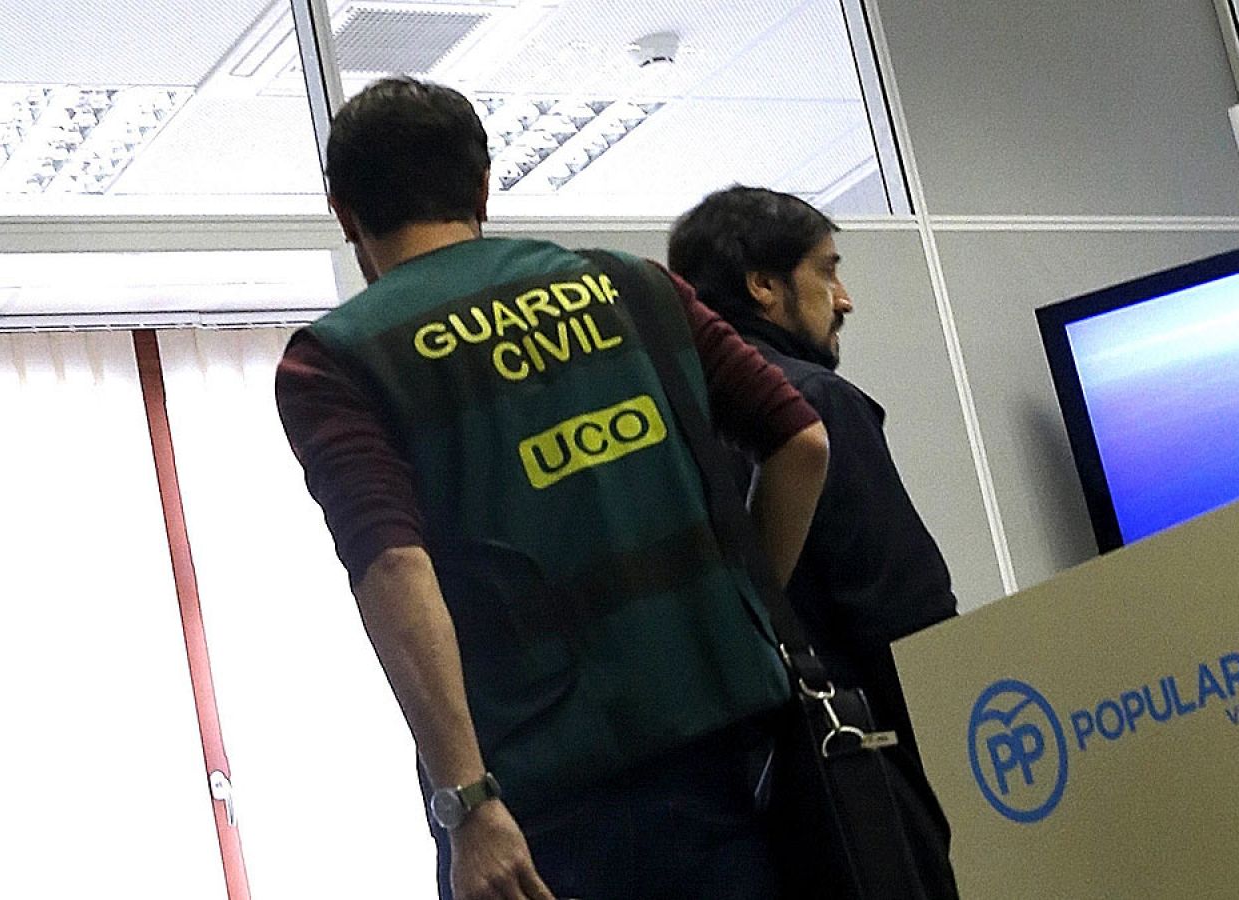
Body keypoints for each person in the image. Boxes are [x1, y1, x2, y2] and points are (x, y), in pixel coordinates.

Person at [275, 79, 829, 900]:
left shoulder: (340, 359)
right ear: (483, 187)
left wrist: (467, 802)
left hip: (542, 811)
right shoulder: (634, 288)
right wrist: (731, 607)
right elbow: (803, 442)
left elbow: (393, 566)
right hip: (729, 770)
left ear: (344, 212)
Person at [668, 185, 961, 897]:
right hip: (852, 783)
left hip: (740, 811)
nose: (845, 297)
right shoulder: (814, 407)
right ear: (763, 286)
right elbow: (903, 613)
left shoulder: (670, 422)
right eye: (825, 271)